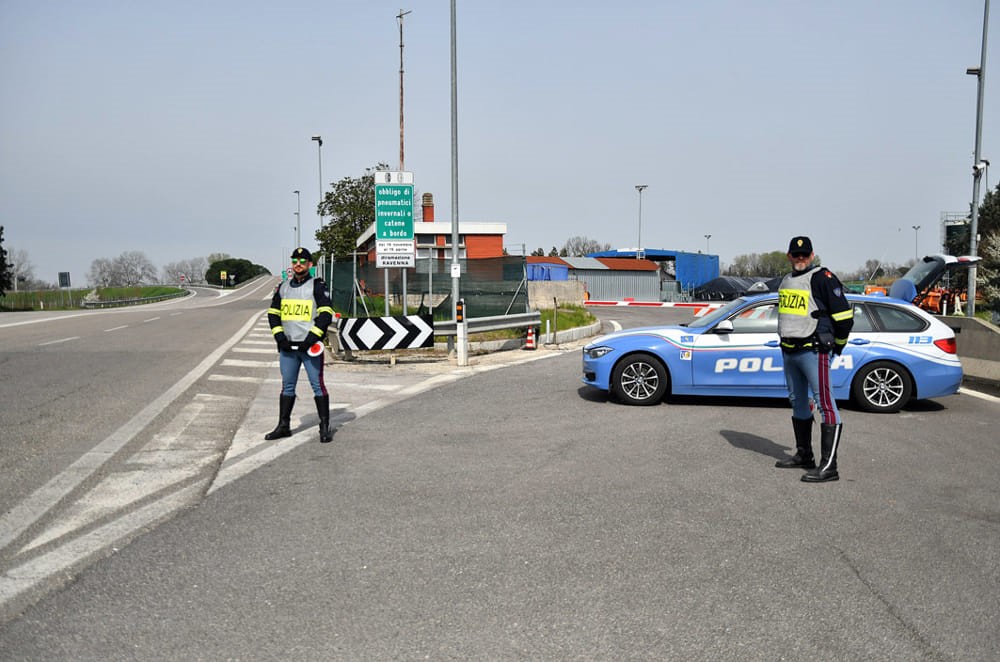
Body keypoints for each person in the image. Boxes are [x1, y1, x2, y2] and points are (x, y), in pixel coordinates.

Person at [774, 236, 854, 483]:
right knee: (798, 401)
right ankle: (804, 454)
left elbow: (844, 317)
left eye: (805, 255)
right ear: (789, 256)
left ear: (812, 255)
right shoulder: (786, 280)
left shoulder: (823, 278)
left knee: (825, 404)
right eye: (796, 255)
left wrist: (837, 347)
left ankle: (829, 466)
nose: (801, 259)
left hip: (814, 349)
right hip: (789, 350)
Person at [265, 247, 336, 443]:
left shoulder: (317, 286)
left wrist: (311, 339)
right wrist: (280, 338)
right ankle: (283, 426)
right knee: (287, 386)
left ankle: (324, 426)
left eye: (302, 261)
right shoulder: (283, 287)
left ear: (310, 265)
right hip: (288, 348)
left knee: (317, 386)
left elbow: (325, 315)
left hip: (309, 348)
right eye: (295, 261)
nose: (298, 264)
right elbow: (273, 314)